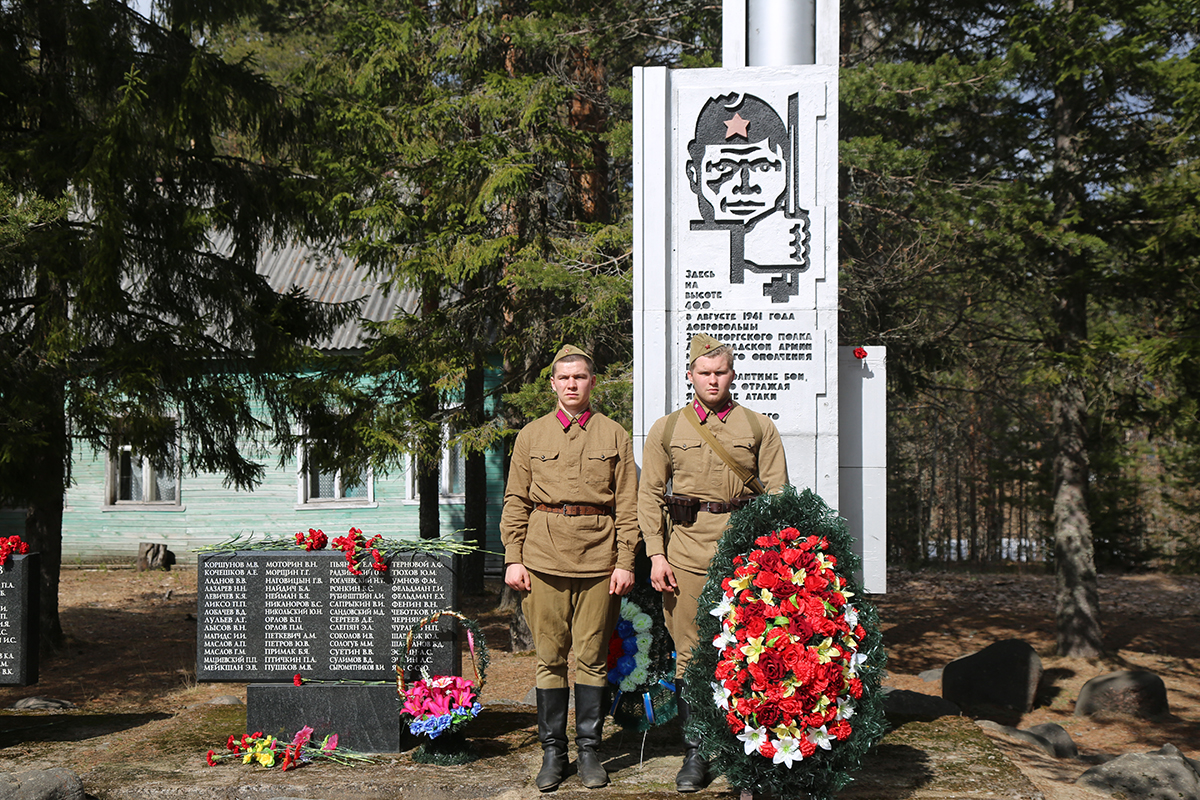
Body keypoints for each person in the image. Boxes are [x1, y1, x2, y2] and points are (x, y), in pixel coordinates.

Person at [638, 333, 789, 792]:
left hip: (744, 561)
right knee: (691, 657)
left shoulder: (759, 427)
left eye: (720, 371)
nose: (712, 379)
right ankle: (697, 753)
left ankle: (747, 754)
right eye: (703, 372)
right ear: (690, 377)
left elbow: (778, 495)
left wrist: (771, 561)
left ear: (732, 374)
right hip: (684, 556)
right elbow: (649, 496)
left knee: (747, 656)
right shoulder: (667, 429)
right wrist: (656, 554)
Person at [500, 344, 637, 791]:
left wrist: (625, 561)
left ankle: (590, 751)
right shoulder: (532, 436)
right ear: (554, 384)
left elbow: (628, 506)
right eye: (565, 378)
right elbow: (516, 500)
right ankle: (553, 754)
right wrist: (513, 557)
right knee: (549, 658)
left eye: (580, 377)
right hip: (542, 558)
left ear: (592, 383)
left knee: (593, 659)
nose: (572, 384)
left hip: (599, 560)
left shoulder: (614, 434)